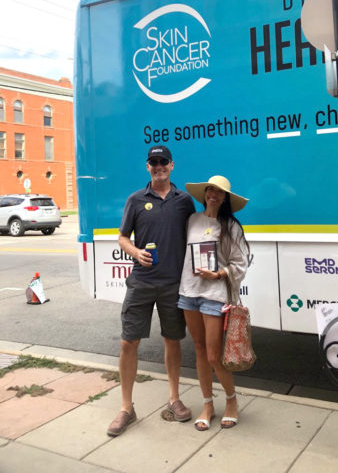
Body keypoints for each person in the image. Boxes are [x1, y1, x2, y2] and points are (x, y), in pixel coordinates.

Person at [107, 145, 195, 437]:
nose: (158, 166)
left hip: (173, 284)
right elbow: (121, 237)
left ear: (172, 165)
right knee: (127, 343)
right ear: (148, 167)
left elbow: (195, 236)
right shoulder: (135, 200)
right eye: (153, 162)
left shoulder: (184, 201)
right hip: (142, 282)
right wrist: (135, 252)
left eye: (163, 162)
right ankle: (126, 408)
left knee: (172, 341)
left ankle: (174, 399)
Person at [178, 175, 250, 431]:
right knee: (198, 350)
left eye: (219, 192)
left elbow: (241, 262)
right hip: (189, 292)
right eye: (210, 190)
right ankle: (207, 404)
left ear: (225, 198)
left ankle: (231, 401)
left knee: (213, 355)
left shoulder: (230, 226)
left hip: (213, 295)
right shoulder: (192, 220)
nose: (213, 195)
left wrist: (218, 274)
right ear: (205, 193)